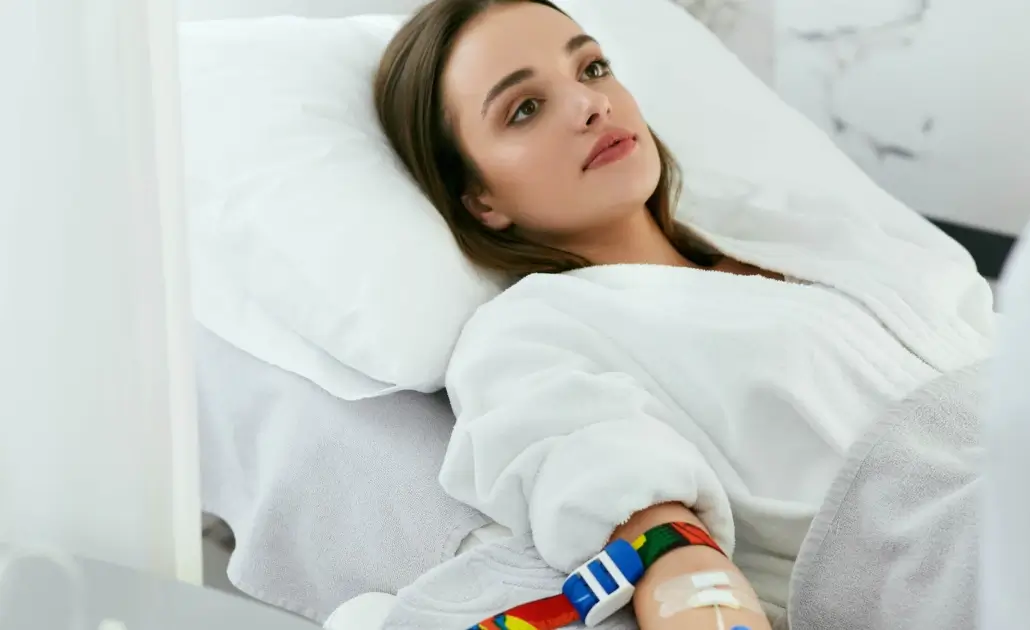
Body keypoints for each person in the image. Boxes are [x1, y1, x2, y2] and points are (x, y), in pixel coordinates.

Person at [373, 0, 995, 628]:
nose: (593, 104)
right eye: (525, 109)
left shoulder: (785, 233)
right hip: (972, 568)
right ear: (480, 199)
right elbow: (645, 521)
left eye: (591, 68)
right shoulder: (528, 331)